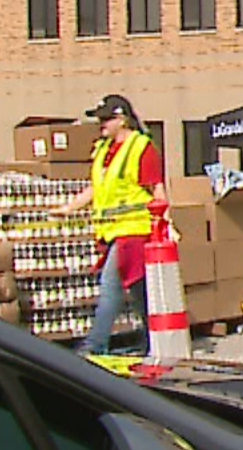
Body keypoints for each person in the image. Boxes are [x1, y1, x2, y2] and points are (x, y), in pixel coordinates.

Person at [54, 94, 166, 356]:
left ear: (122, 119)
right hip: (111, 230)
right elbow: (96, 187)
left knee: (110, 286)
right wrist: (69, 208)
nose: (100, 124)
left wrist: (165, 223)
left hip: (134, 230)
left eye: (106, 119)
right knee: (140, 292)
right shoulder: (103, 150)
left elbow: (157, 189)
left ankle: (95, 345)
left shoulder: (141, 147)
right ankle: (155, 340)